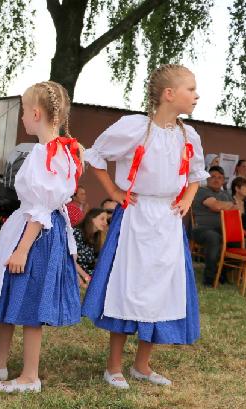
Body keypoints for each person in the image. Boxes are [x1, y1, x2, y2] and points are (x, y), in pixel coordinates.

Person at [82, 64, 208, 389]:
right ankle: (113, 367)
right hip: (137, 215)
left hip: (167, 218)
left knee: (159, 289)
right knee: (129, 286)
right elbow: (95, 156)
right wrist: (113, 192)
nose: (196, 95)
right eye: (190, 89)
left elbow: (195, 176)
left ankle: (142, 364)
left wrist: (188, 199)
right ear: (169, 94)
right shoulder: (135, 128)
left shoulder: (188, 135)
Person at [0, 81, 82, 394]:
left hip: (37, 235)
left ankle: (30, 375)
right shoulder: (58, 152)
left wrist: (23, 249)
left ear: (36, 112)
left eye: (24, 114)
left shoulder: (48, 154)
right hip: (32, 227)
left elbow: (42, 207)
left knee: (30, 300)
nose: (22, 120)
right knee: (10, 292)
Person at [191, 166, 239, 285]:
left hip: (223, 230)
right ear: (207, 179)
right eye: (212, 177)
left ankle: (222, 273)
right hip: (202, 229)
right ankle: (210, 278)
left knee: (241, 242)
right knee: (214, 238)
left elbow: (237, 210)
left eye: (220, 178)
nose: (216, 180)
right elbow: (215, 206)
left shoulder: (225, 194)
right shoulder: (201, 191)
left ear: (223, 181)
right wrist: (230, 205)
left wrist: (227, 205)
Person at [73, 208, 109, 288]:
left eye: (106, 220)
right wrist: (87, 278)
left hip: (89, 277)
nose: (105, 222)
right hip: (76, 276)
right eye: (102, 219)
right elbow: (70, 261)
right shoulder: (77, 233)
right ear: (92, 219)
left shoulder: (95, 238)